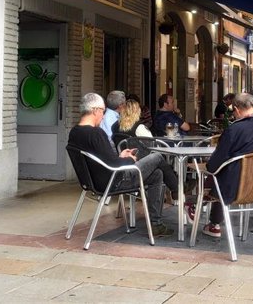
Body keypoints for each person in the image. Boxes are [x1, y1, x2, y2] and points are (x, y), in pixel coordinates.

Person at [68, 93, 174, 237]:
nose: (104, 116)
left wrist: (121, 156)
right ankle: (178, 190)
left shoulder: (74, 132)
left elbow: (106, 159)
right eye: (103, 111)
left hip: (93, 182)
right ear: (95, 110)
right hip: (115, 180)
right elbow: (113, 164)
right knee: (157, 156)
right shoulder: (96, 133)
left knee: (157, 175)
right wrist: (130, 159)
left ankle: (156, 224)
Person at [184, 92, 253, 237]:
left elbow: (214, 165)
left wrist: (208, 168)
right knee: (226, 172)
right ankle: (212, 222)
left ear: (236, 110)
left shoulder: (233, 130)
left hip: (232, 189)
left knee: (214, 171)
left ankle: (198, 206)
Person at [112, 99, 179, 201]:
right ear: (137, 112)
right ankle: (176, 188)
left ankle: (175, 188)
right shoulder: (139, 127)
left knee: (160, 164)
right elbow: (153, 145)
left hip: (124, 164)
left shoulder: (114, 127)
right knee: (160, 158)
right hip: (141, 164)